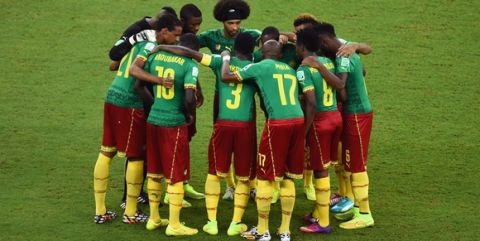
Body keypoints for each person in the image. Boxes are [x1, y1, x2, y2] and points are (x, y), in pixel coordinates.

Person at [153, 32, 258, 236]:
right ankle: (236, 223)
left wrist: (163, 47)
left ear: (235, 47)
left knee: (214, 173)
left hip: (222, 125)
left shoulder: (220, 61)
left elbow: (189, 52)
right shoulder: (256, 68)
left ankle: (212, 222)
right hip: (245, 127)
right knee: (244, 177)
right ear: (252, 50)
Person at [92, 14, 176, 225]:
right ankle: (130, 212)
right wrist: (159, 80)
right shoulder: (149, 46)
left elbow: (114, 65)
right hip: (128, 102)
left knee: (106, 151)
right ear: (164, 32)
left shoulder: (139, 42)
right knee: (136, 156)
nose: (177, 39)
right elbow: (133, 69)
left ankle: (100, 210)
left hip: (111, 96)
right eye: (176, 35)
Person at [221, 40, 304, 241]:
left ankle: (262, 230)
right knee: (288, 177)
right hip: (298, 121)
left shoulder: (260, 66)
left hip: (278, 124)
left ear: (262, 51)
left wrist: (225, 57)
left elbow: (226, 76)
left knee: (265, 177)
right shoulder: (289, 70)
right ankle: (285, 231)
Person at [130, 31, 200, 236]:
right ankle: (175, 225)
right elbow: (189, 98)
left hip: (153, 121)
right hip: (173, 124)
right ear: (193, 51)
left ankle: (154, 218)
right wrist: (190, 116)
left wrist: (156, 106)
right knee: (175, 175)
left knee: (154, 172)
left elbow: (138, 85)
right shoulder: (190, 65)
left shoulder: (156, 57)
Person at [310, 22, 375, 229]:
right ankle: (356, 208)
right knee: (351, 163)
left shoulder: (342, 56)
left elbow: (342, 89)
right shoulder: (343, 48)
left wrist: (321, 75)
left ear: (323, 41)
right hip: (355, 113)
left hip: (357, 114)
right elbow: (366, 53)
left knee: (356, 165)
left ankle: (365, 214)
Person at [198, 0, 261, 201]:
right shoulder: (211, 37)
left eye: (237, 23)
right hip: (222, 96)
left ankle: (252, 183)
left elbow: (271, 39)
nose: (235, 28)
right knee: (221, 138)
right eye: (230, 23)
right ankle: (230, 185)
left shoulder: (250, 34)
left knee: (248, 141)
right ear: (222, 22)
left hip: (246, 98)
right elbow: (188, 44)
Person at [294, 27, 345, 233]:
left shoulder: (303, 69)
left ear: (302, 47)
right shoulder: (329, 62)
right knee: (327, 166)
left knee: (320, 170)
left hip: (320, 123)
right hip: (336, 118)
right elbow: (339, 87)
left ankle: (323, 223)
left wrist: (304, 132)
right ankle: (318, 212)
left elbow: (312, 104)